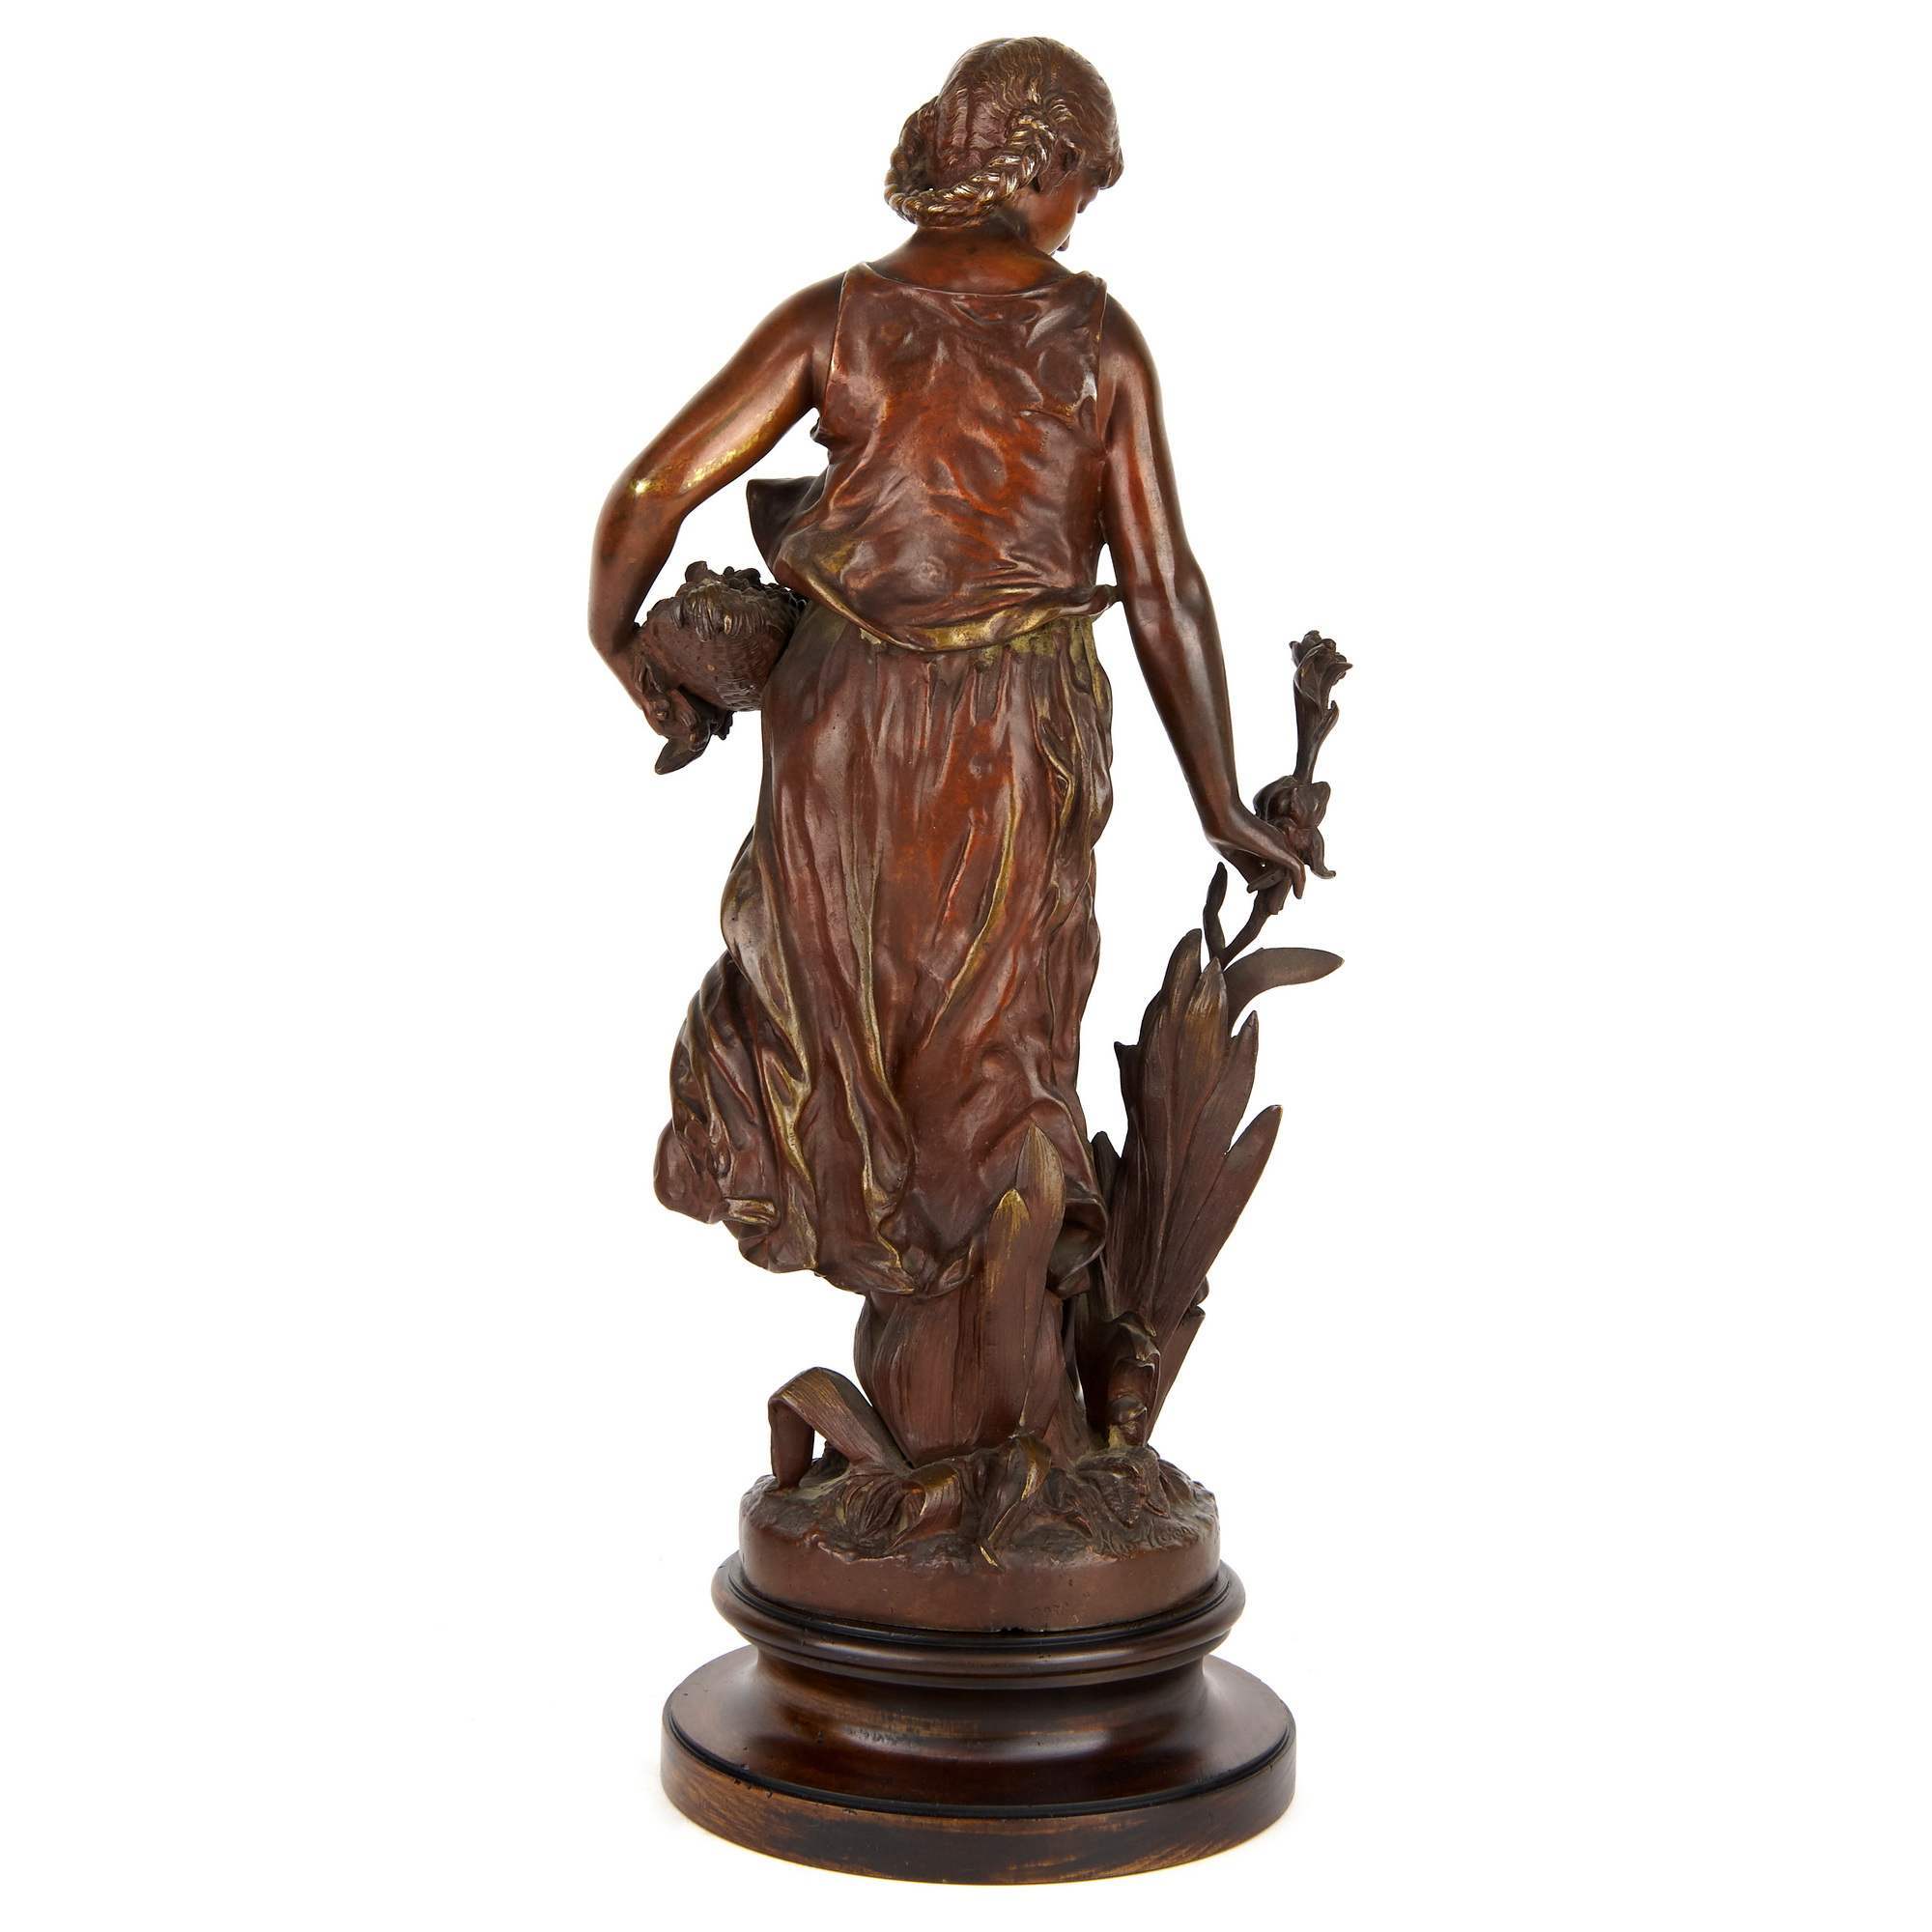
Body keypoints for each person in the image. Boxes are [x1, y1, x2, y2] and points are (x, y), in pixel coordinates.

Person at [588, 39, 1302, 1421]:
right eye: (1083, 184)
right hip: (1011, 741)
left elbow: (654, 488)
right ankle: (981, 1406)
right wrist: (1220, 800)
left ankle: (957, 1408)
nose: (1078, 219)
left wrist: (618, 638)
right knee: (999, 1056)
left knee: (849, 1026)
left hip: (846, 730)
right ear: (1036, 163)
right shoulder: (1096, 339)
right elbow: (1163, 584)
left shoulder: (837, 320)